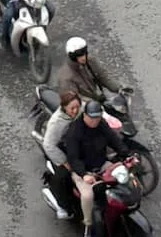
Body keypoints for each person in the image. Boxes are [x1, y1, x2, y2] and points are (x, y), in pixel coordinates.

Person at [61, 99, 130, 233]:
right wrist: (84, 174)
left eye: (98, 118)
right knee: (87, 196)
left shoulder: (101, 124)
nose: (95, 121)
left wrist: (126, 154)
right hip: (83, 170)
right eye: (92, 118)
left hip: (102, 164)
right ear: (85, 115)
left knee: (123, 180)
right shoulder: (74, 131)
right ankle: (88, 225)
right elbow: (73, 158)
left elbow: (114, 139)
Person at [61, 37, 126, 107]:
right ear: (72, 56)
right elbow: (75, 99)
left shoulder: (90, 61)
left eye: (84, 53)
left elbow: (103, 77)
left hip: (96, 98)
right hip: (83, 107)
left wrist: (119, 88)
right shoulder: (66, 77)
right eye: (79, 55)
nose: (83, 57)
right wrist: (93, 104)